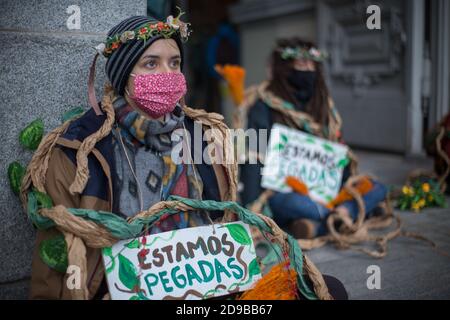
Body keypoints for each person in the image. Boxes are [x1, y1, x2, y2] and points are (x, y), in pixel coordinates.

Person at [29, 12, 235, 299]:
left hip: (205, 289)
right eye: (151, 63)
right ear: (125, 74)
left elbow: (228, 225)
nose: (167, 74)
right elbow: (55, 257)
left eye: (174, 63)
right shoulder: (81, 148)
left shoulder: (203, 136)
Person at [240, 37, 388, 240]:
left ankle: (326, 222)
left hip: (328, 193)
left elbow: (337, 153)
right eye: (301, 64)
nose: (308, 69)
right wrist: (251, 211)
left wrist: (348, 184)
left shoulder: (323, 104)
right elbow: (252, 157)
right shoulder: (263, 105)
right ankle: (354, 213)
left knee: (378, 187)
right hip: (282, 192)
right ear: (285, 67)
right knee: (300, 205)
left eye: (312, 64)